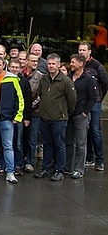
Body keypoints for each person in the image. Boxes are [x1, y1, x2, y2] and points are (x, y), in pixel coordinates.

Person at [35, 54, 77, 182]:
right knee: (47, 144)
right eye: (49, 64)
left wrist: (65, 113)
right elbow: (40, 94)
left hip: (59, 118)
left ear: (59, 65)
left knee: (59, 145)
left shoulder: (66, 81)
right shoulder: (44, 79)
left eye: (53, 64)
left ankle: (60, 170)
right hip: (44, 118)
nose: (51, 66)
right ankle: (45, 168)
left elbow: (72, 100)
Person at [67, 54, 99, 179]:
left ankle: (79, 169)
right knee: (68, 141)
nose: (71, 64)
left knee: (80, 143)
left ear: (81, 64)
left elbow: (93, 97)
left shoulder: (89, 79)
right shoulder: (69, 77)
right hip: (69, 114)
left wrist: (85, 112)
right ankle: (68, 167)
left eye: (73, 62)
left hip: (81, 115)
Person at [78, 42, 107, 171]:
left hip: (95, 102)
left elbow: (105, 84)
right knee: (85, 130)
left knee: (95, 130)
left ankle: (99, 160)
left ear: (90, 51)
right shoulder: (78, 65)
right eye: (79, 50)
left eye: (84, 50)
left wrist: (98, 96)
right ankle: (88, 157)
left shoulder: (97, 66)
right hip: (82, 102)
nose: (81, 52)